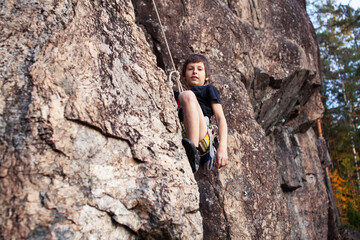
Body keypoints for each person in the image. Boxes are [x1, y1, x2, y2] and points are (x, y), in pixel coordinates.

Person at [174, 54, 228, 173]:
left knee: (187, 95)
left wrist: (222, 147)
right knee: (185, 95)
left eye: (199, 69)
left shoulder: (208, 89)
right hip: (183, 132)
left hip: (202, 136)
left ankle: (192, 152)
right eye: (190, 69)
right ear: (183, 76)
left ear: (206, 76)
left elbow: (220, 118)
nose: (194, 72)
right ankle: (191, 149)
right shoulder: (177, 95)